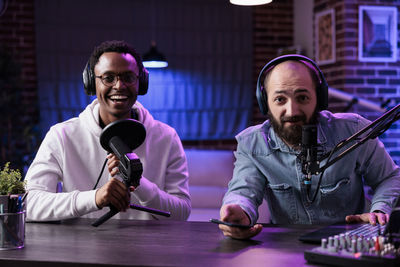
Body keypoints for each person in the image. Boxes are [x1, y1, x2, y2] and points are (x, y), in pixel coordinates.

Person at [219, 54, 400, 239]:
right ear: (265, 103)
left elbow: (390, 177)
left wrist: (380, 210)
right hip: (285, 248)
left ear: (319, 99)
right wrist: (238, 212)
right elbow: (243, 191)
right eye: (280, 99)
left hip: (349, 242)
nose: (292, 111)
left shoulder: (354, 131)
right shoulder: (253, 144)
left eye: (302, 97)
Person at [25, 40, 191, 221]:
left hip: (148, 248)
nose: (119, 86)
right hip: (79, 248)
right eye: (108, 78)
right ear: (90, 82)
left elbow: (181, 214)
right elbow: (29, 204)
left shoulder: (166, 138)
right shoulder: (62, 136)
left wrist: (138, 182)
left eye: (128, 77)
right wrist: (94, 198)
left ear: (141, 82)